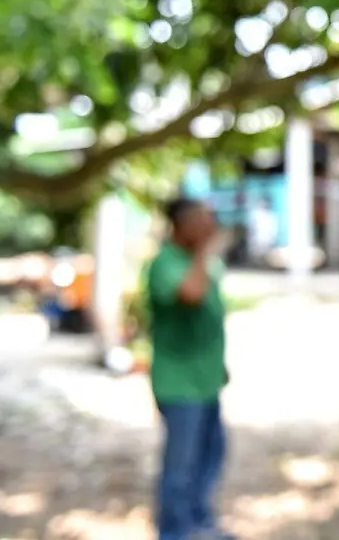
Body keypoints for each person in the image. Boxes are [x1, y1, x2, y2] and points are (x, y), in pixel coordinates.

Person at [145, 198, 234, 540]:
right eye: (201, 220)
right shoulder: (165, 263)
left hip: (205, 380)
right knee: (180, 466)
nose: (210, 226)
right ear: (181, 225)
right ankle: (174, 532)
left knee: (210, 454)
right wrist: (204, 251)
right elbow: (191, 294)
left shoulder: (201, 262)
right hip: (179, 384)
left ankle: (199, 522)